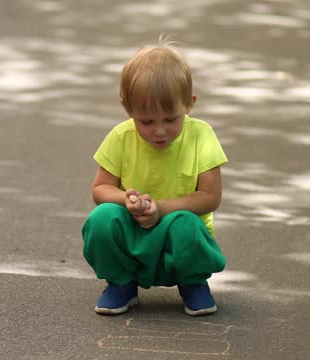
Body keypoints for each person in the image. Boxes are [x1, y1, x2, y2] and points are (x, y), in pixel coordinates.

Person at [81, 39, 228, 316]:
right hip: (133, 237)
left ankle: (193, 283)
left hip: (179, 242)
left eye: (170, 119)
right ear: (128, 109)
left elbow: (210, 197)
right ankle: (121, 283)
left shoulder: (202, 135)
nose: (159, 131)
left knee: (185, 223)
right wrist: (127, 199)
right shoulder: (120, 137)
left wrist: (160, 209)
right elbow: (101, 188)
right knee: (101, 219)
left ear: (189, 104)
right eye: (146, 122)